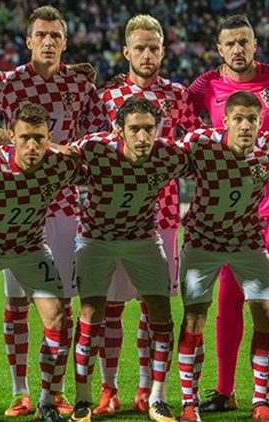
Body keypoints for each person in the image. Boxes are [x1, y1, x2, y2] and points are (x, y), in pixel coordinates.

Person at [0, 6, 105, 417]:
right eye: (41, 35)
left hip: (65, 206)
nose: (48, 41)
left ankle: (56, 391)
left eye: (55, 36)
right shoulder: (8, 84)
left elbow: (97, 136)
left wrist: (70, 151)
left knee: (62, 305)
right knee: (16, 303)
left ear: (65, 42)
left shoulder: (80, 84)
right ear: (29, 40)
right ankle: (20, 392)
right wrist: (22, 143)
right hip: (16, 206)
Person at [187, 14, 269, 416]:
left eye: (244, 42)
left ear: (255, 44)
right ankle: (225, 390)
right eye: (230, 43)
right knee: (228, 299)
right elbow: (178, 119)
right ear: (219, 48)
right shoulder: (204, 87)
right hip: (229, 213)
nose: (238, 49)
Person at [0, 103, 86, 422]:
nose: (32, 146)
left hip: (29, 248)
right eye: (25, 137)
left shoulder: (60, 164)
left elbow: (94, 164)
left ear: (49, 138)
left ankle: (47, 402)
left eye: (39, 138)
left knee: (57, 319)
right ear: (12, 137)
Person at [96, 14, 203, 415]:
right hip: (112, 219)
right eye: (139, 48)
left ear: (163, 50)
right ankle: (108, 388)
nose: (147, 55)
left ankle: (146, 389)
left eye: (153, 48)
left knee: (152, 307)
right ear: (126, 51)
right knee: (110, 309)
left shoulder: (178, 96)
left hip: (164, 216)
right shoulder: (106, 98)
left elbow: (194, 147)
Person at [68, 97, 192, 422]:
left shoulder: (168, 155)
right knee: (91, 313)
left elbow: (206, 160)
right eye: (135, 129)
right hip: (96, 239)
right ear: (118, 130)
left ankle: (157, 398)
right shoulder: (95, 147)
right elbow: (60, 155)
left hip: (143, 239)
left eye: (149, 129)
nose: (142, 136)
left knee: (161, 313)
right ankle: (84, 399)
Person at [176, 91, 269, 422]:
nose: (245, 126)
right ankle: (189, 402)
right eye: (239, 119)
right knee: (193, 319)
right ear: (225, 121)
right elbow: (163, 156)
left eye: (252, 120)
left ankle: (260, 400)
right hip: (203, 242)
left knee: (265, 315)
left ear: (261, 122)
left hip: (247, 242)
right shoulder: (201, 143)